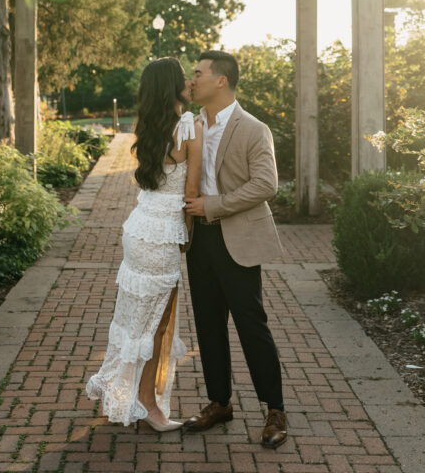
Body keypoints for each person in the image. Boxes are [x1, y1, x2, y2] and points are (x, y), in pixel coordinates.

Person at [86, 57, 202, 431]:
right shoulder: (187, 126)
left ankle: (125, 388)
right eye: (183, 77)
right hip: (162, 234)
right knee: (156, 324)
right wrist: (187, 237)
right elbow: (191, 191)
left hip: (138, 228)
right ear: (171, 86)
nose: (189, 81)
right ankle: (148, 404)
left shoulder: (150, 126)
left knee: (134, 318)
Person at [182, 49, 287, 450]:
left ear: (220, 80)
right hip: (200, 240)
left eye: (198, 73)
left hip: (237, 239)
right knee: (208, 325)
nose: (192, 80)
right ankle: (219, 403)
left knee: (251, 325)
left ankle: (275, 409)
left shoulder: (253, 128)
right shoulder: (190, 125)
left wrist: (214, 205)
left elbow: (266, 185)